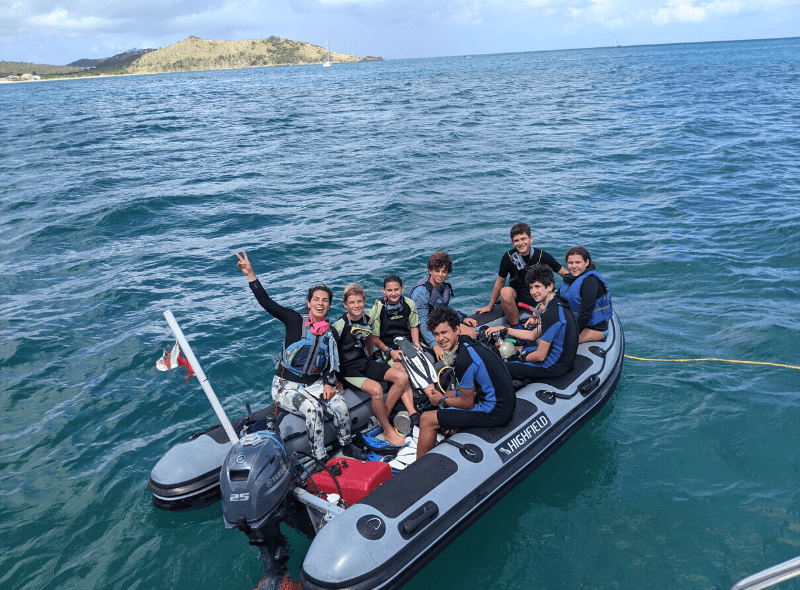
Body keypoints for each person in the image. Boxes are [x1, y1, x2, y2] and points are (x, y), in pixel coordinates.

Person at [235, 251, 361, 462]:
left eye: (325, 300)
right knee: (312, 409)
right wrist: (250, 274)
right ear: (309, 303)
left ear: (329, 305)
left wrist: (330, 382)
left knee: (339, 406)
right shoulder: (294, 320)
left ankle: (346, 445)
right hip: (286, 386)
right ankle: (320, 458)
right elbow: (267, 303)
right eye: (316, 299)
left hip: (315, 383)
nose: (320, 303)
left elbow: (331, 361)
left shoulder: (330, 332)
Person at [416, 307, 516, 459]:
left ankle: (419, 469)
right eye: (436, 334)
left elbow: (467, 403)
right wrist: (449, 399)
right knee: (450, 393)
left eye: (444, 332)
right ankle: (453, 426)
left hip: (496, 412)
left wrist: (441, 400)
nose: (440, 338)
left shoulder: (464, 360)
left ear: (457, 330)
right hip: (502, 400)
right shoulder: (468, 344)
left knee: (427, 419)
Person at [331, 284, 414, 447]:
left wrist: (377, 352)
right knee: (376, 389)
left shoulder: (368, 317)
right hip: (348, 370)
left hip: (364, 362)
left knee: (402, 377)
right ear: (345, 305)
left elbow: (371, 335)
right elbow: (330, 354)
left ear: (364, 301)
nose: (356, 305)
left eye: (360, 301)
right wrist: (334, 379)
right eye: (352, 302)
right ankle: (388, 430)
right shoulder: (338, 326)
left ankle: (383, 417)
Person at [486, 264, 578, 381]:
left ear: (550, 286)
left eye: (537, 287)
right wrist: (504, 329)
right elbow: (533, 335)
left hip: (553, 366)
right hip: (560, 359)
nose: (533, 292)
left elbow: (540, 356)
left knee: (499, 367)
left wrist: (522, 358)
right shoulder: (555, 304)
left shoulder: (552, 314)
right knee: (518, 349)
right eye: (531, 287)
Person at [476, 222, 568, 329]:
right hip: (518, 295)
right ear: (512, 243)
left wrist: (556, 297)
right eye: (516, 240)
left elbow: (565, 274)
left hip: (538, 295)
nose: (520, 243)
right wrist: (490, 306)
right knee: (505, 291)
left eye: (523, 239)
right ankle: (516, 326)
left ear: (531, 239)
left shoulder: (542, 256)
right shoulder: (508, 257)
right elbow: (500, 282)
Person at [411, 251, 478, 361]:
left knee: (473, 334)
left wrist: (461, 318)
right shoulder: (421, 292)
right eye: (437, 271)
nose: (440, 275)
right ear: (430, 271)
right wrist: (435, 345)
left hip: (439, 322)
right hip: (425, 328)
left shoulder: (443, 287)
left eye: (444, 271)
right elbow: (422, 322)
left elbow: (444, 310)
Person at [559, 246, 613, 343]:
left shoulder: (590, 282)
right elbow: (557, 299)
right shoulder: (570, 280)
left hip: (596, 328)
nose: (574, 266)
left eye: (578, 262)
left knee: (561, 342)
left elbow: (585, 314)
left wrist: (572, 334)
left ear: (586, 262)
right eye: (570, 263)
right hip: (576, 324)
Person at [368, 274, 421, 364]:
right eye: (389, 290)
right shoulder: (378, 309)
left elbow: (413, 326)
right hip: (387, 346)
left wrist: (416, 343)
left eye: (396, 289)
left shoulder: (410, 304)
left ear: (402, 288)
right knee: (403, 372)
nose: (393, 293)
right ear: (384, 290)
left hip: (407, 342)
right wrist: (389, 351)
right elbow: (374, 338)